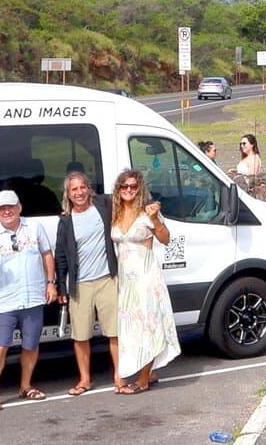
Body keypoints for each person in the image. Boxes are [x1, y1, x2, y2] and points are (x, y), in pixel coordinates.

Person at [0, 190, 58, 411]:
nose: (7, 211)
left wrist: (50, 283)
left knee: (31, 345)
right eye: (2, 208)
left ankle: (26, 386)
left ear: (19, 207)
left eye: (11, 206)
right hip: (4, 300)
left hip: (33, 297)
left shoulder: (34, 227)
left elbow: (46, 254)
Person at [111, 168, 181, 394]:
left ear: (140, 188)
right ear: (118, 189)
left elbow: (166, 238)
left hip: (146, 277)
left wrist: (154, 219)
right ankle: (148, 372)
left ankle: (142, 379)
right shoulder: (116, 211)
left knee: (146, 326)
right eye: (124, 186)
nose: (129, 190)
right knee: (131, 328)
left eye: (133, 186)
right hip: (126, 281)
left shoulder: (147, 212)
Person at [54, 171, 119, 395]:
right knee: (81, 335)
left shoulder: (103, 205)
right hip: (80, 284)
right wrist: (62, 287)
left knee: (114, 332)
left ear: (88, 188)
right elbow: (60, 256)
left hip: (107, 279)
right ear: (68, 194)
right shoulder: (65, 220)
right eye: (74, 189)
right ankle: (84, 379)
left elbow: (127, 195)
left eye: (82, 187)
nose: (79, 192)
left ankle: (119, 376)